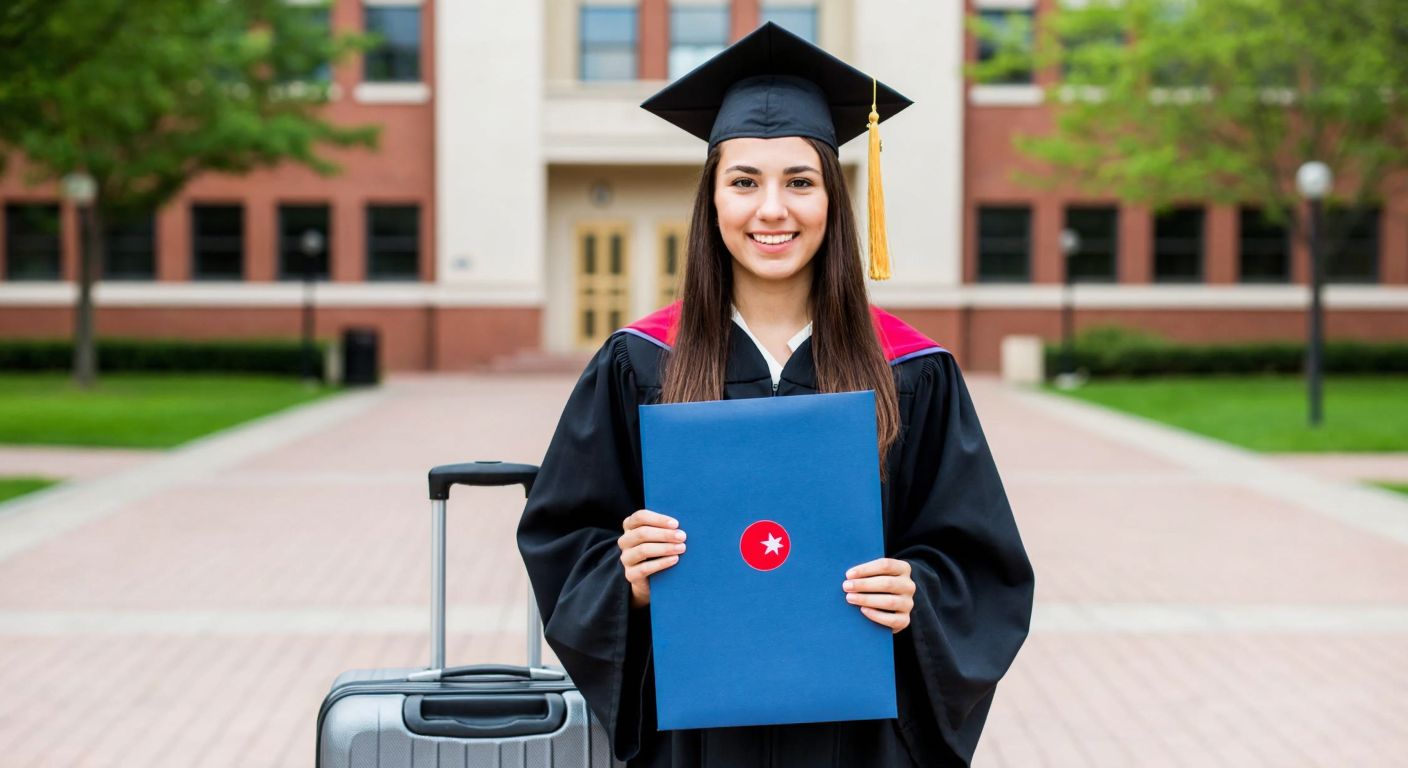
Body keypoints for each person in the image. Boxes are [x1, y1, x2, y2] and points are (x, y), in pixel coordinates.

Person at [517, 23, 1034, 767]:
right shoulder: (639, 363)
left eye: (799, 180)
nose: (772, 210)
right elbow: (563, 540)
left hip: (861, 742)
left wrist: (916, 590)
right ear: (712, 198)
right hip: (696, 740)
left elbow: (982, 564)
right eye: (744, 181)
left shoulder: (912, 370)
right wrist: (623, 578)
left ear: (834, 196)